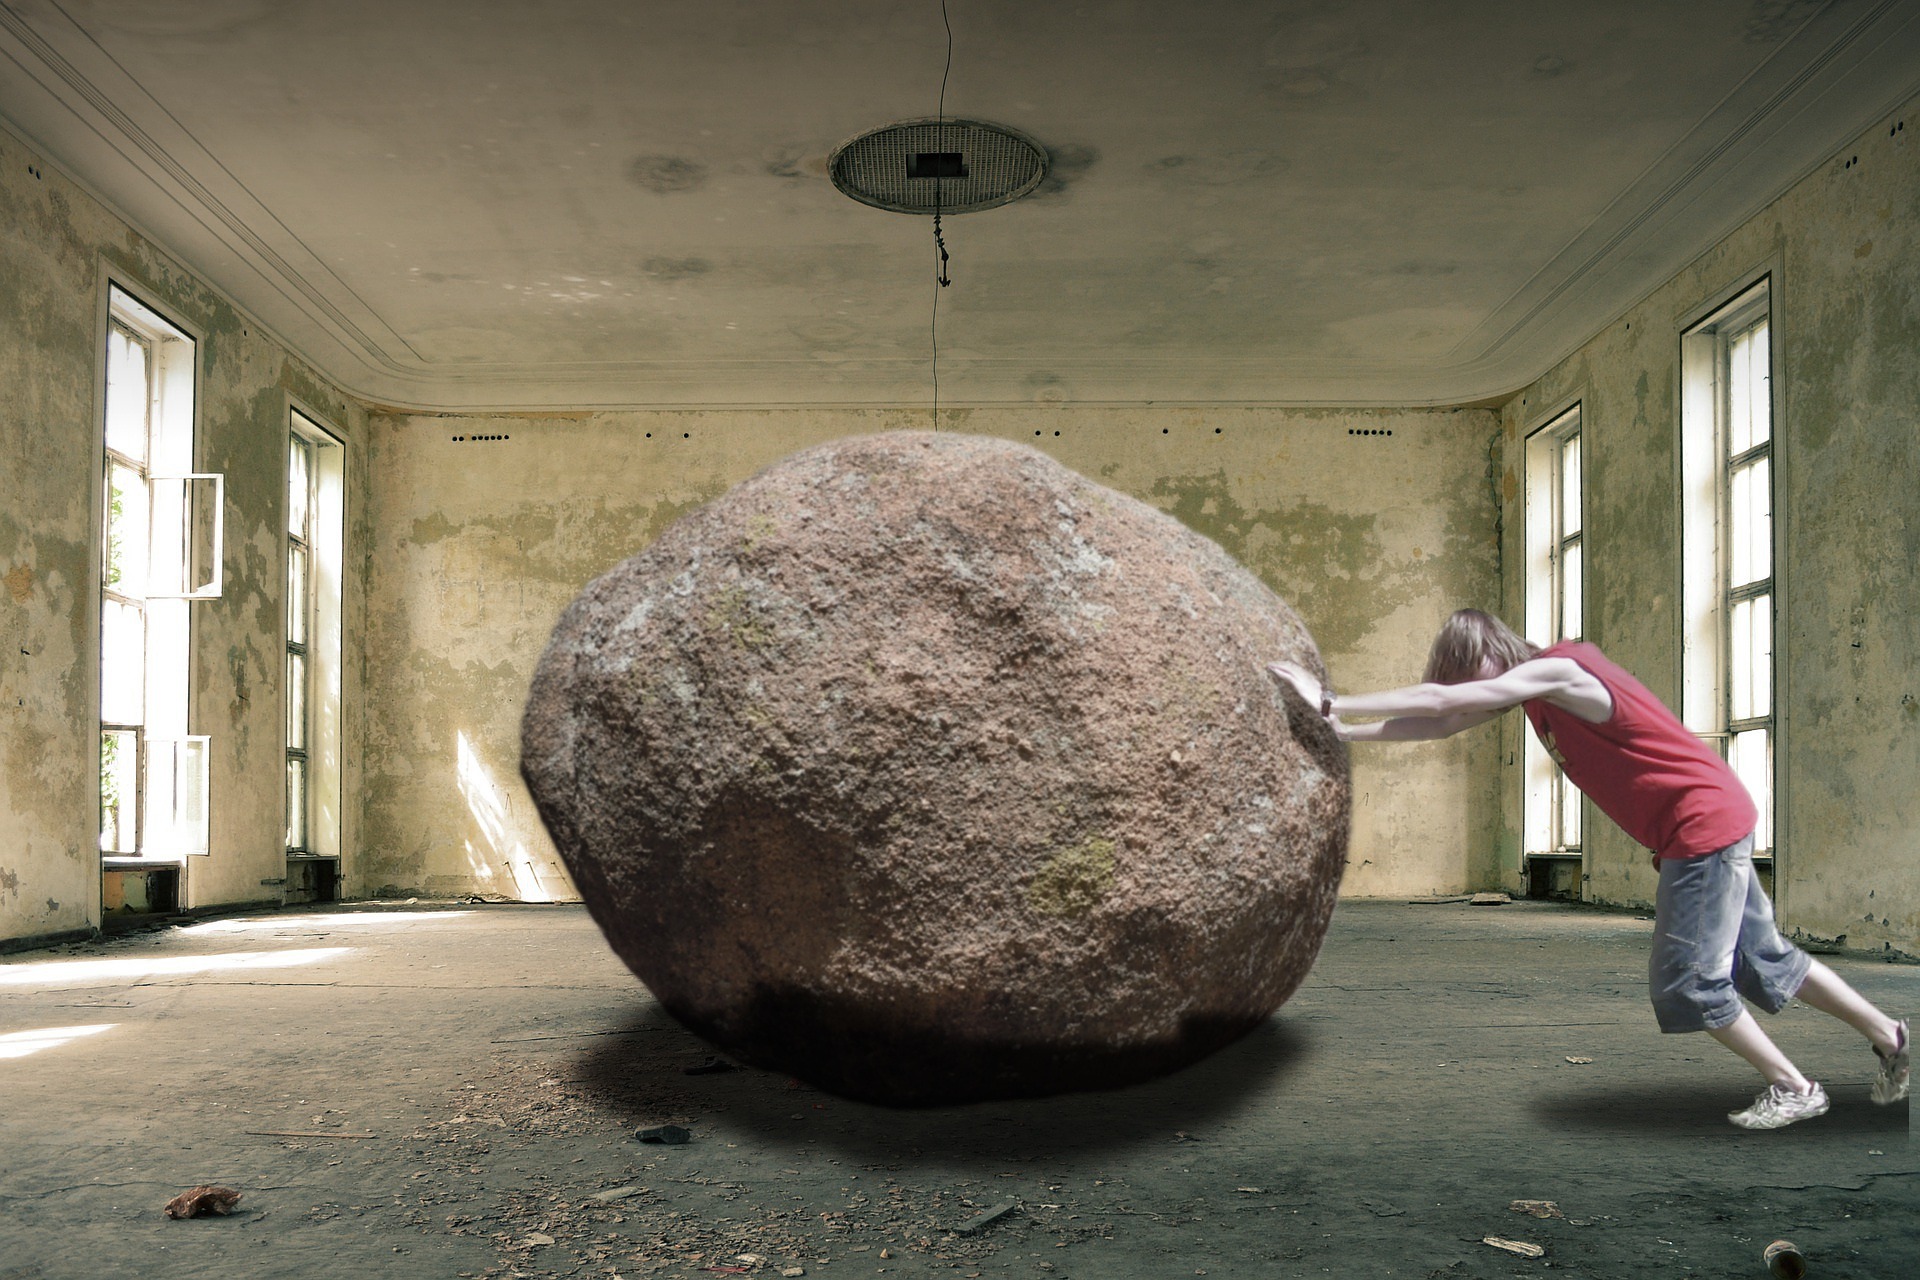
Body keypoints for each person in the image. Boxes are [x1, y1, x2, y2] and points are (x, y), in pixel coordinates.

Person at [1267, 608, 1908, 1130]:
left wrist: (1330, 703)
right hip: (1711, 816)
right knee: (1763, 958)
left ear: (1497, 650)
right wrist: (1347, 733)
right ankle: (1890, 1036)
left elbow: (1444, 699)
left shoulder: (1564, 670)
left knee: (1687, 980)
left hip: (1701, 825)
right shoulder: (1538, 691)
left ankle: (1794, 1086)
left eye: (1473, 673)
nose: (1471, 690)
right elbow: (1441, 719)